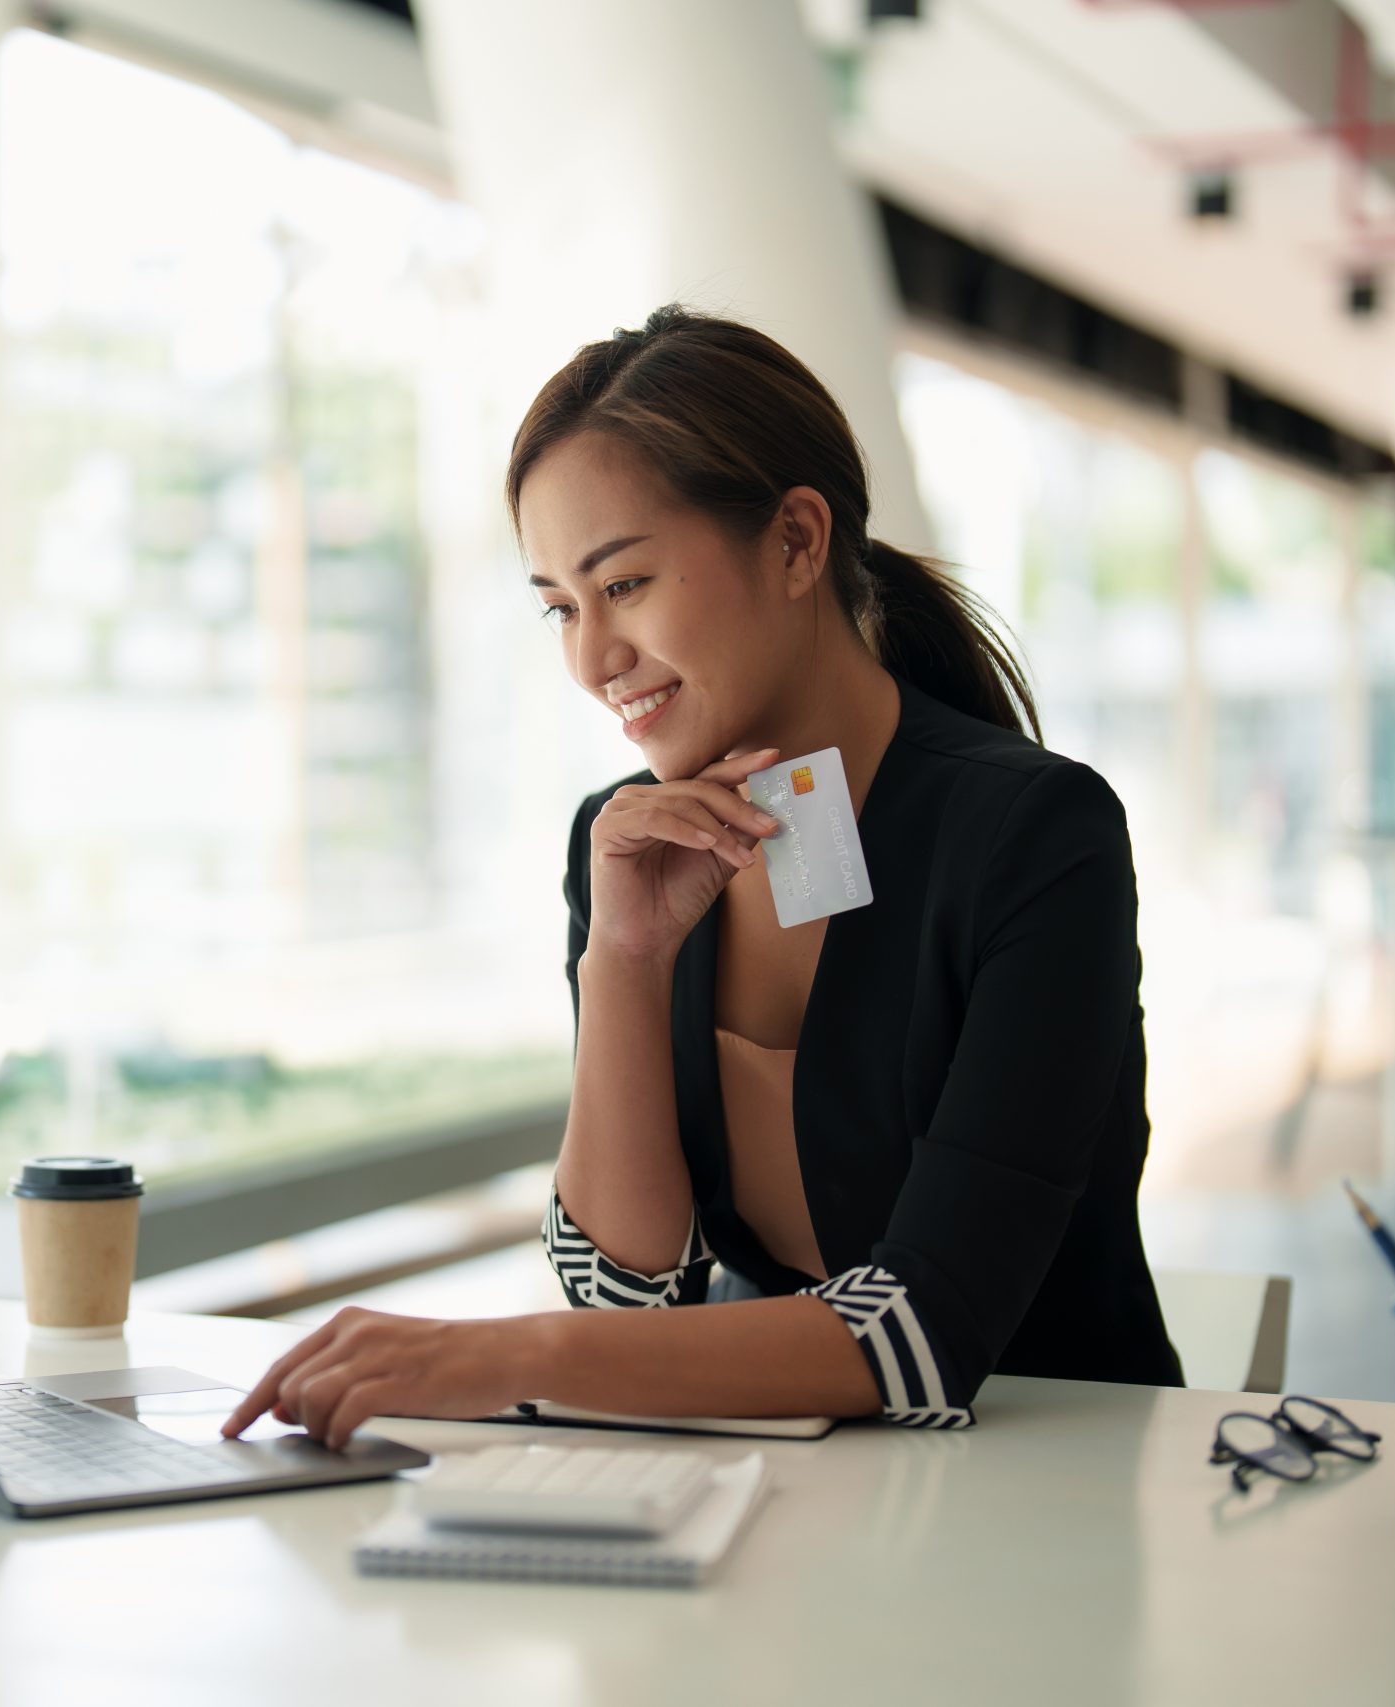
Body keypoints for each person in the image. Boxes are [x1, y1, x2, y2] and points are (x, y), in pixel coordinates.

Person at [224, 304, 1181, 1450]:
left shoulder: (1034, 835)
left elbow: (924, 1333)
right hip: (775, 1492)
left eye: (624, 586)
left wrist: (491, 1353)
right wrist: (623, 958)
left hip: (1048, 1500)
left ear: (793, 543)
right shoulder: (626, 843)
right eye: (559, 609)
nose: (590, 661)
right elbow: (623, 1296)